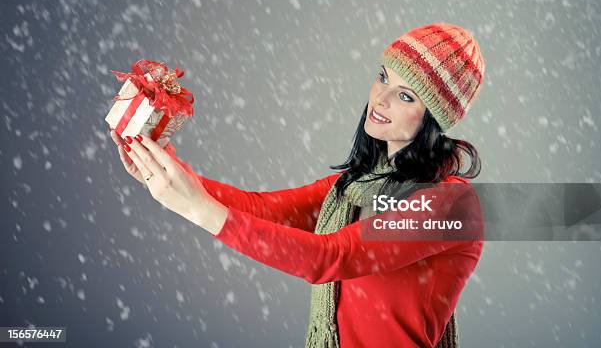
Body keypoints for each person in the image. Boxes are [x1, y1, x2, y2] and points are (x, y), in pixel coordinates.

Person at [109, 23, 486, 348]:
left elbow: (329, 258)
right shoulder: (354, 186)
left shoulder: (452, 205)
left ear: (435, 119)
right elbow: (262, 210)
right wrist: (170, 173)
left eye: (406, 95)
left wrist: (197, 208)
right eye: (384, 76)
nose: (380, 98)